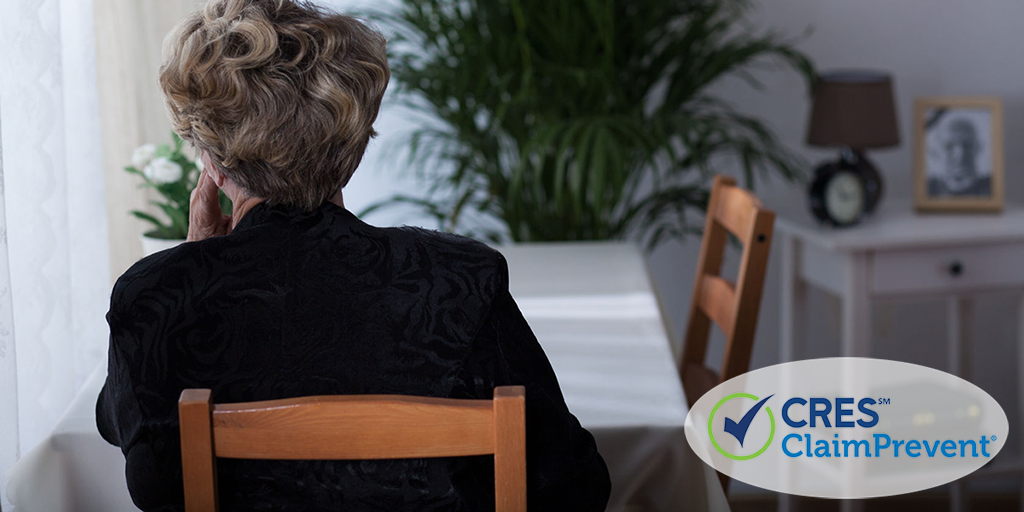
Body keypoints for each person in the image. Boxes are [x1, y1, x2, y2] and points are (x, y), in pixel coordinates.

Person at [95, 1, 610, 510]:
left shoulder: (155, 295)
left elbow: (150, 472)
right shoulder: (461, 279)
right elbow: (572, 483)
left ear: (211, 162)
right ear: (354, 147)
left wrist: (191, 268)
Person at [927, 117, 991, 197]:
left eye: (967, 145)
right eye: (949, 146)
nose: (960, 155)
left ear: (978, 148)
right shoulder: (926, 189)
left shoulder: (992, 187)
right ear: (934, 152)